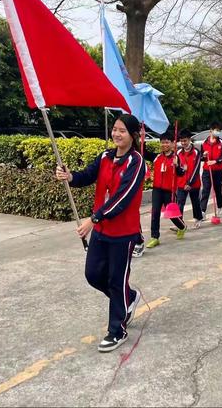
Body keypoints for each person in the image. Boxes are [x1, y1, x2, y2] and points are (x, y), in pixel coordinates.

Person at [55, 114, 145, 352]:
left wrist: (93, 219)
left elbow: (122, 198)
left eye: (122, 131)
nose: (116, 134)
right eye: (115, 129)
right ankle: (128, 298)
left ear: (133, 135)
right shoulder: (105, 156)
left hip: (123, 233)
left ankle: (118, 330)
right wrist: (70, 176)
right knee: (93, 274)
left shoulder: (136, 162)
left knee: (116, 280)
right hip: (102, 231)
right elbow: (87, 175)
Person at [144, 131, 187, 248]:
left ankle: (182, 226)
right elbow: (144, 153)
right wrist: (142, 140)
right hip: (157, 190)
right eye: (162, 142)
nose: (164, 145)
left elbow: (182, 173)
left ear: (172, 143)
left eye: (167, 142)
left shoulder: (175, 157)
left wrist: (177, 166)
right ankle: (155, 237)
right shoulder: (157, 157)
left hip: (170, 191)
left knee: (171, 214)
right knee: (155, 212)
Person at [176, 129, 203, 229]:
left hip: (194, 183)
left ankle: (198, 218)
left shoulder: (196, 152)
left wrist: (190, 183)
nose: (183, 143)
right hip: (181, 183)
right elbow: (177, 168)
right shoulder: (178, 152)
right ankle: (179, 223)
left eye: (185, 141)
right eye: (181, 141)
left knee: (195, 202)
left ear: (189, 140)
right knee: (180, 203)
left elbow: (196, 169)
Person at [200, 122, 222, 219]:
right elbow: (201, 158)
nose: (218, 132)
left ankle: (220, 207)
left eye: (219, 131)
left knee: (217, 190)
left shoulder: (221, 142)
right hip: (207, 170)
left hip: (218, 171)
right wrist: (204, 155)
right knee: (205, 190)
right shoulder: (204, 143)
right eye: (216, 130)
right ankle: (202, 211)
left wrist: (215, 161)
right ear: (211, 130)